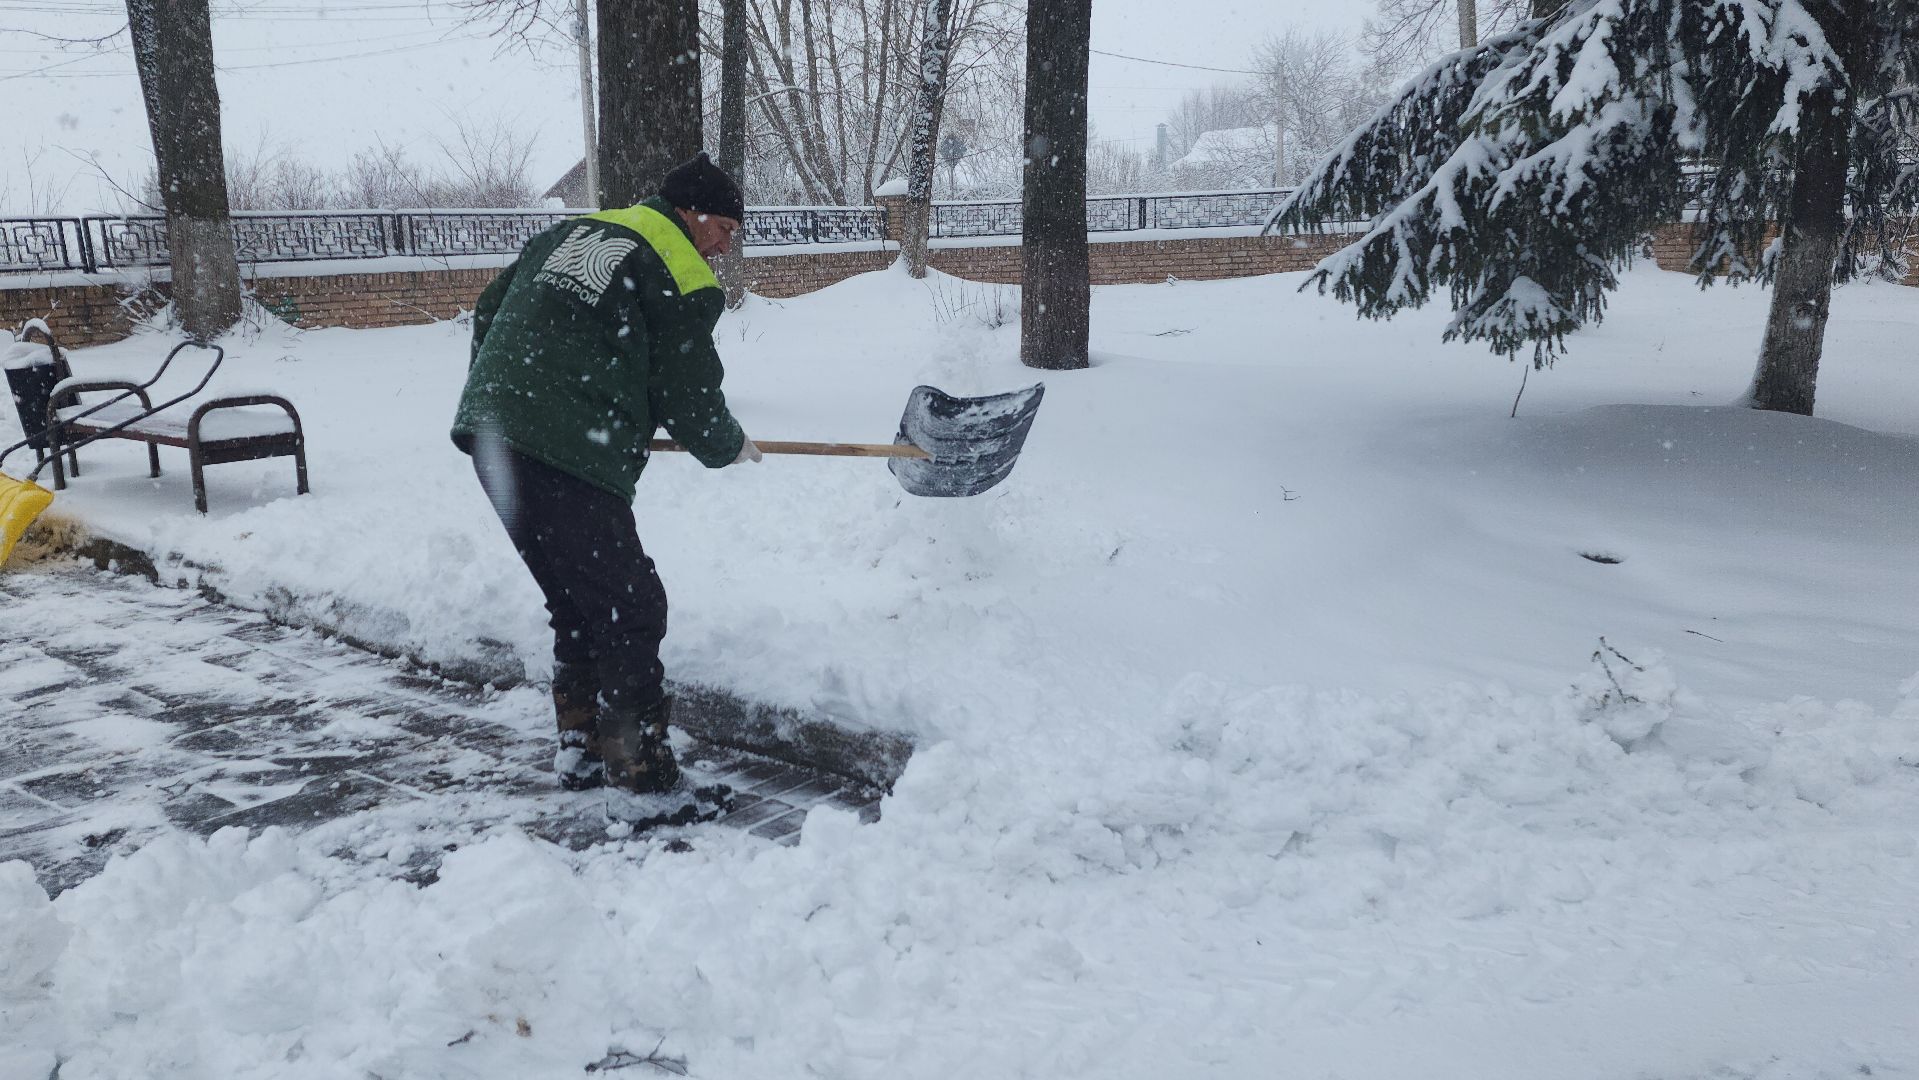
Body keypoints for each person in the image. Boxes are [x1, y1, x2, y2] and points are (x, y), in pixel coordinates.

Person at [451, 152, 761, 801]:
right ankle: (640, 782)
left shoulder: (577, 231)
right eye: (724, 229)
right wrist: (724, 444)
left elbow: (489, 307)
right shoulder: (676, 263)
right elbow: (684, 381)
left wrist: (506, 402)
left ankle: (584, 753)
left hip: (494, 437)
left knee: (578, 602)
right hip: (565, 446)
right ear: (689, 213)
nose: (724, 247)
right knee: (630, 607)